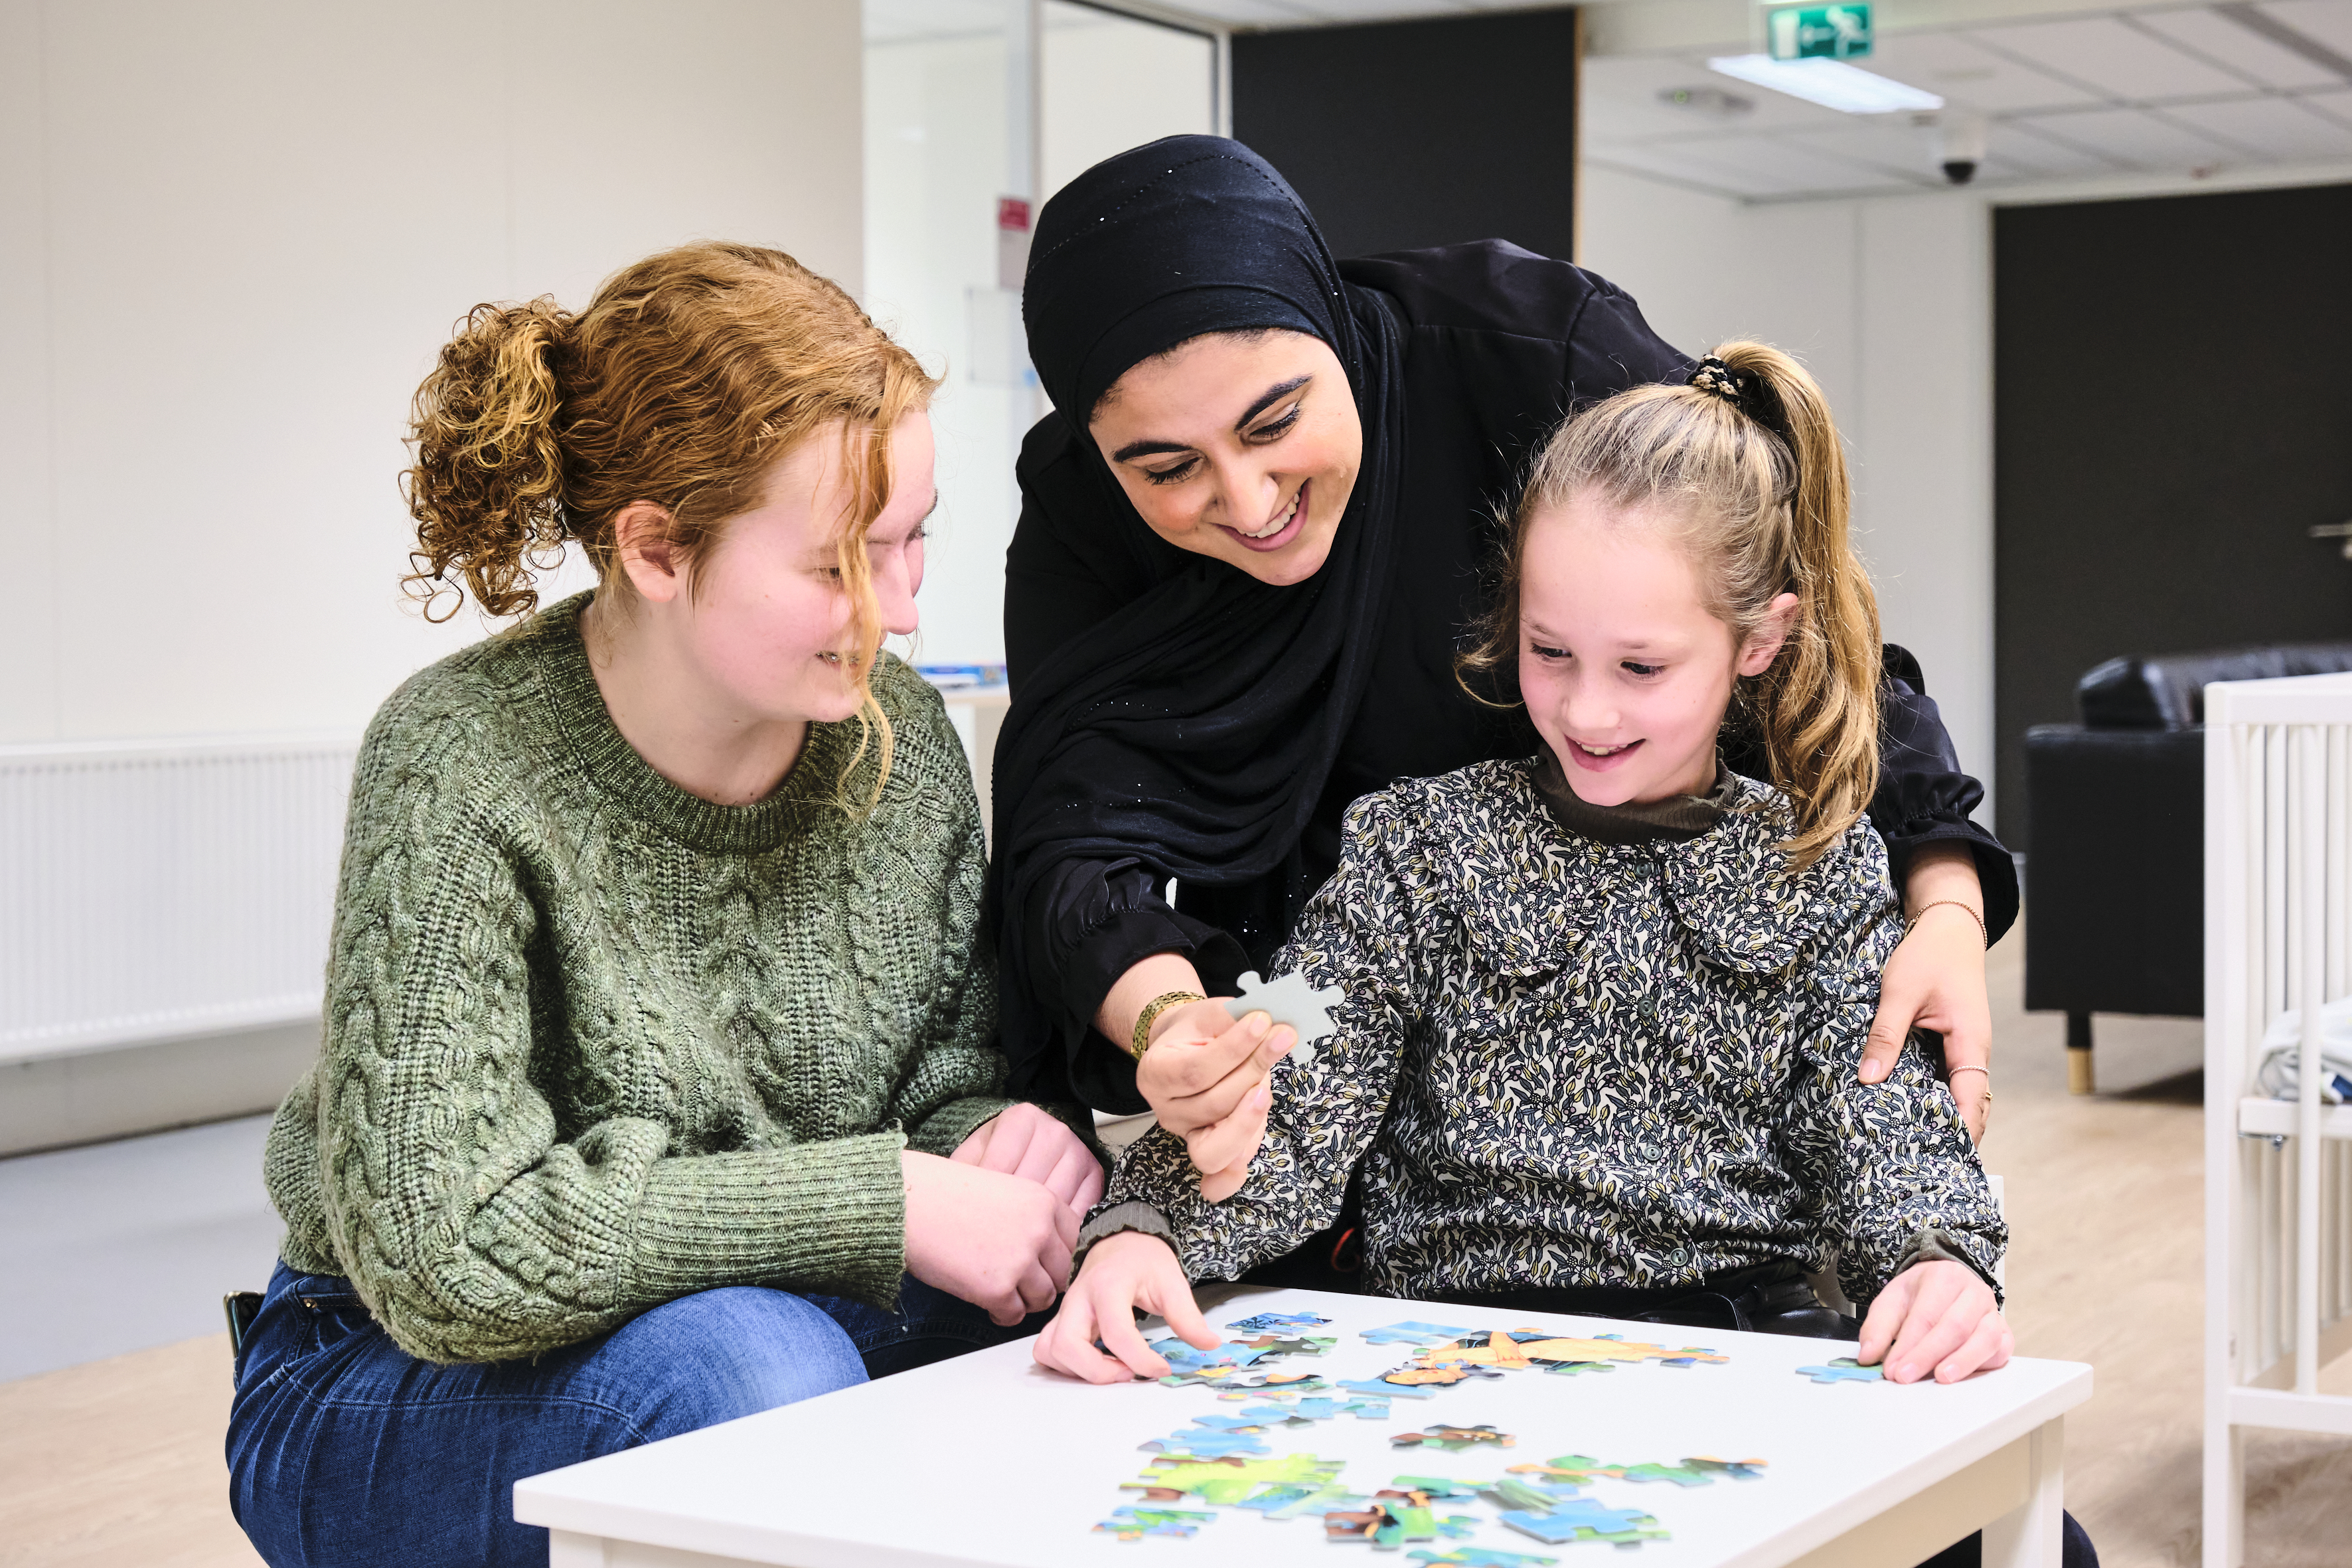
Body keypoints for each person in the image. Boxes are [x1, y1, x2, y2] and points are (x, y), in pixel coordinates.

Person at [1035, 344, 2097, 1568]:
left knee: (2034, 1543)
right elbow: (1288, 1092)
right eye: (1551, 653)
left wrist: (1937, 1259)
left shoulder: (1825, 866)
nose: (1587, 710)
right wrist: (1143, 1227)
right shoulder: (1411, 848)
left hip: (1738, 1357)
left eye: (1642, 667)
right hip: (1444, 1374)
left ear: (1760, 642)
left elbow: (1884, 1132)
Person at [226, 242, 1101, 1568]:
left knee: (1072, 1322)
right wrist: (887, 1203)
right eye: (840, 566)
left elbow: (945, 1083)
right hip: (391, 1365)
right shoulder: (457, 761)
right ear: (654, 548)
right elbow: (448, 1249)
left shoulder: (901, 741)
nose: (903, 610)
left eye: (912, 538)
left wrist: (1000, 1148)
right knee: (753, 1373)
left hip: (782, 1312)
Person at [993, 138, 2006, 1214]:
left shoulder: (1529, 358)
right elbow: (1074, 835)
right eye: (1168, 469)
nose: (1248, 504)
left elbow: (1817, 649)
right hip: (1319, 1021)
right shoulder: (1082, 528)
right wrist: (1168, 1025)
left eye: (1275, 421)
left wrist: (1944, 903)